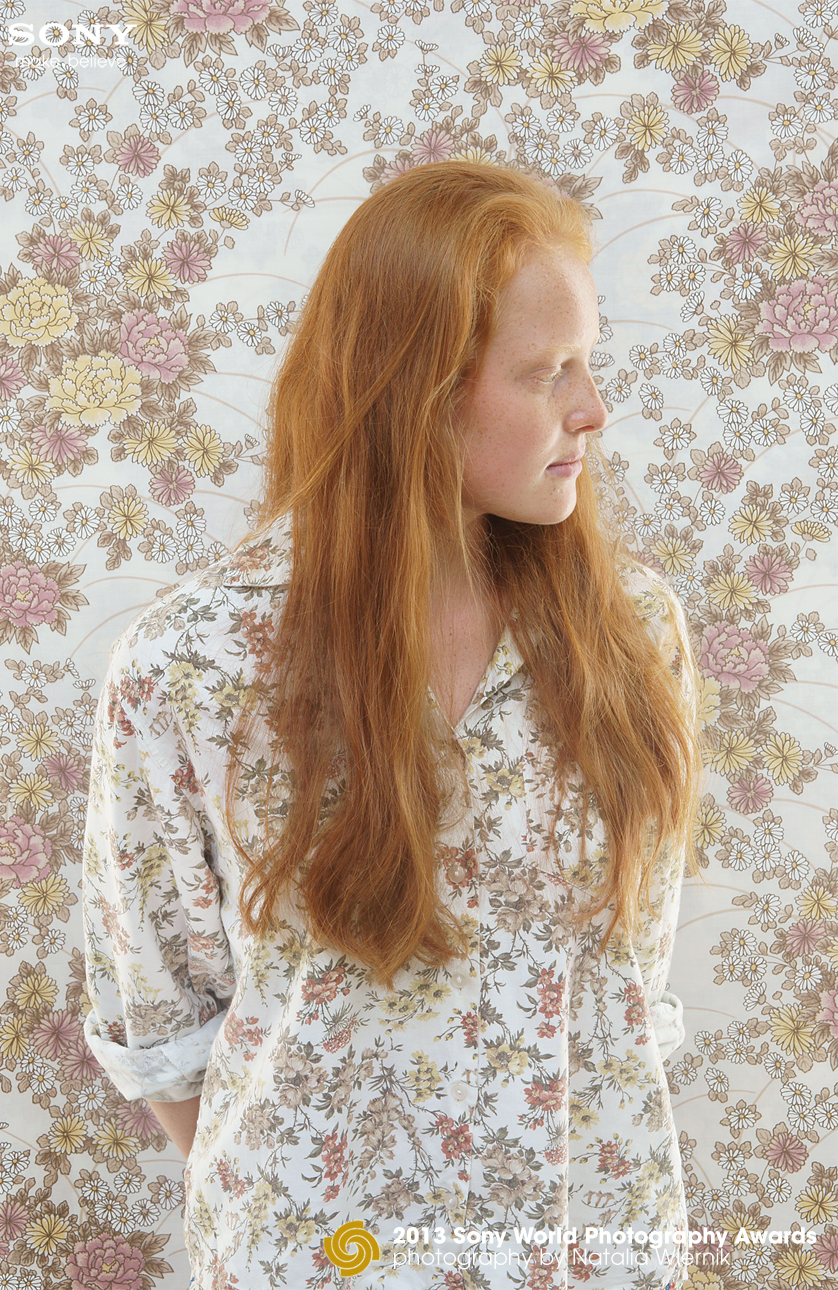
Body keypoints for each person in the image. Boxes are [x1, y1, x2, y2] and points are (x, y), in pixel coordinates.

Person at [82, 161, 702, 1290]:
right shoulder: (198, 663)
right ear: (416, 391)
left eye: (586, 361)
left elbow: (629, 972)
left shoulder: (630, 636)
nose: (591, 410)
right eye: (546, 372)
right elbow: (161, 1017)